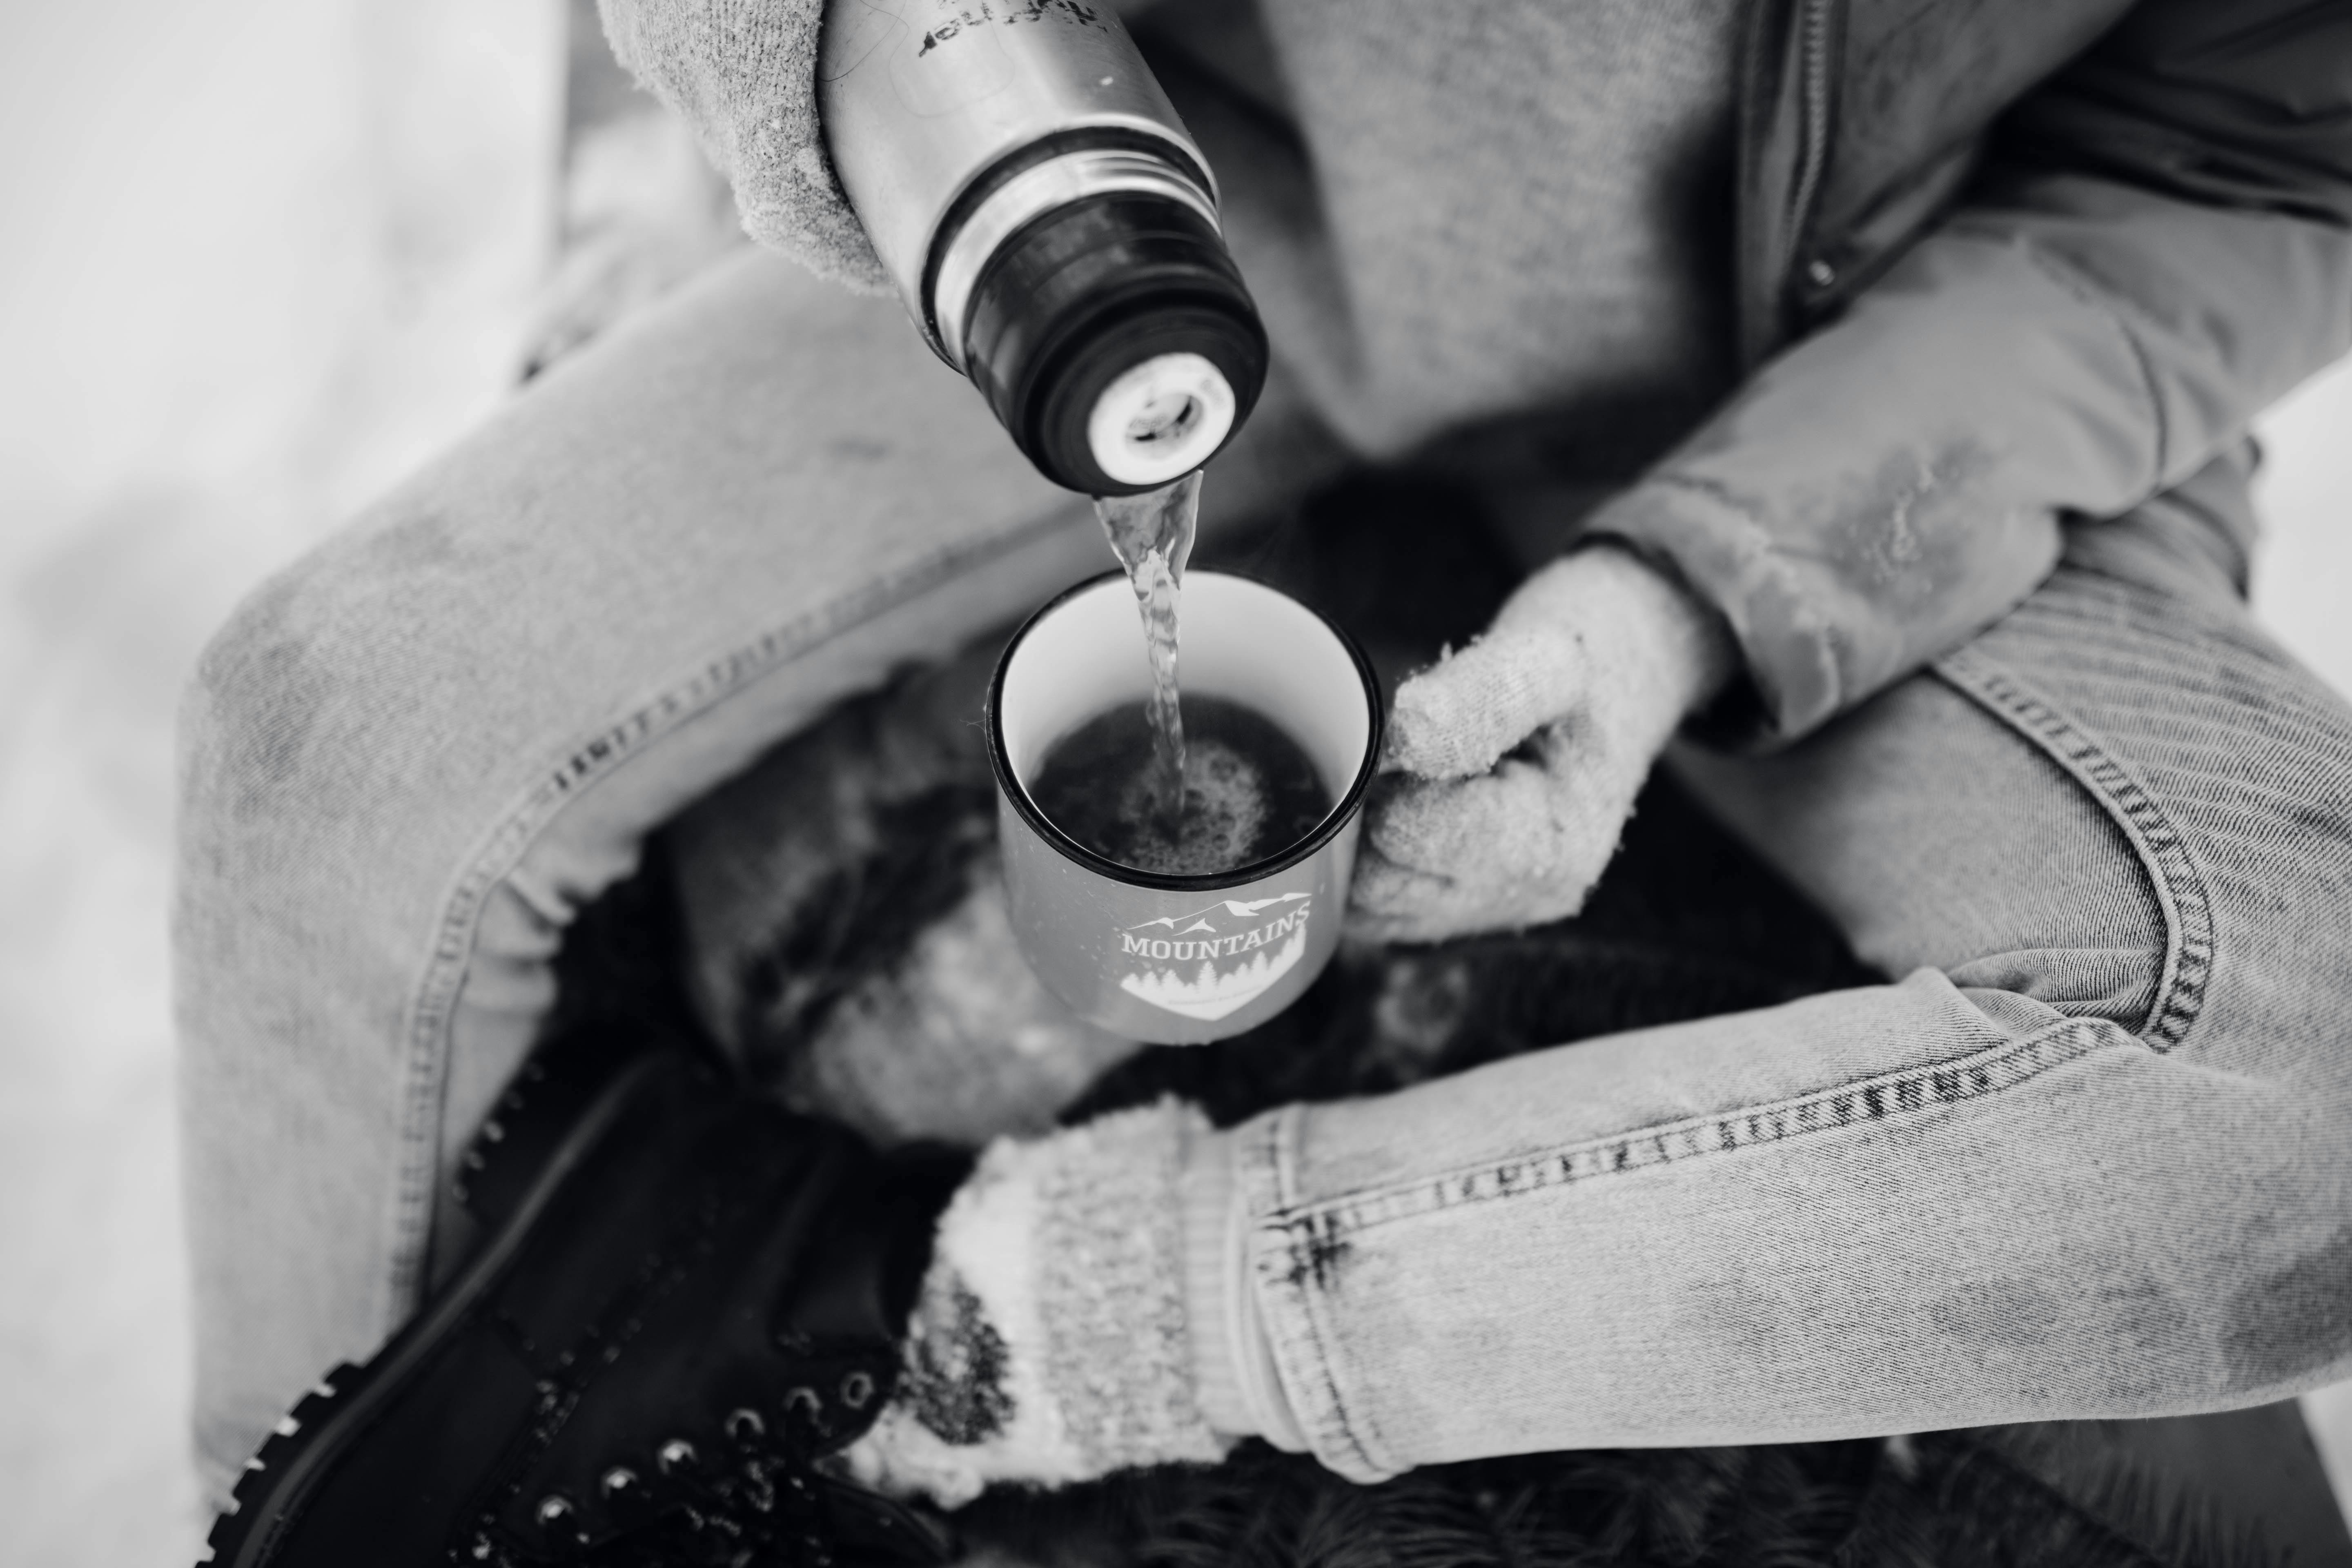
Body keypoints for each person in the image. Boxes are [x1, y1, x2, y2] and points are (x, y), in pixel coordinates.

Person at [180, 0, 2352, 1560]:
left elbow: (2248, 162)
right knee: (334, 721)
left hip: (1894, 363)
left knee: (2304, 1110)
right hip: (1168, 202)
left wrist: (1697, 595)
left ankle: (956, 1320)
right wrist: (855, 55)